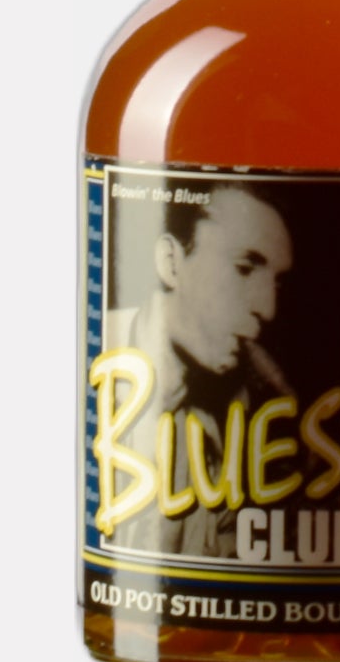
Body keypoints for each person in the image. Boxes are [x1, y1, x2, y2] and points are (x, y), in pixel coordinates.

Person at [101, 183, 294, 557]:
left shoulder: (243, 403)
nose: (267, 309)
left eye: (276, 282)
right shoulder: (99, 356)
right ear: (171, 263)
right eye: (243, 268)